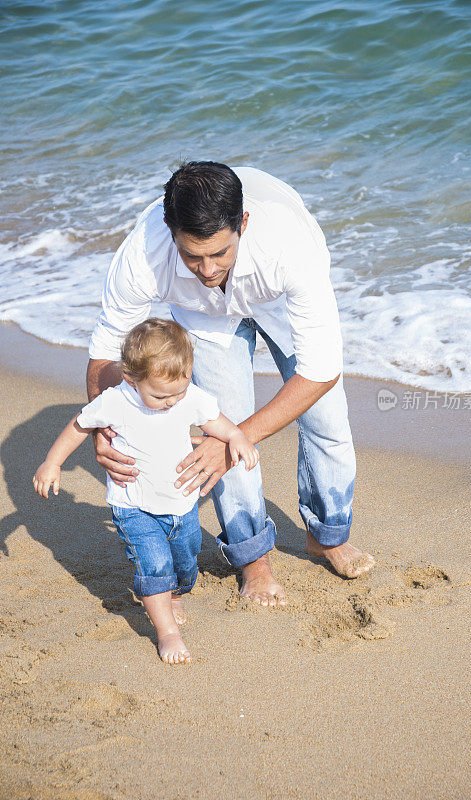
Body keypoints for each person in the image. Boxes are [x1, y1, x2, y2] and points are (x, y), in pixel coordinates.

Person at [87, 162, 375, 609]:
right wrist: (105, 428)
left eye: (220, 253)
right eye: (192, 256)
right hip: (203, 318)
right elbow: (106, 351)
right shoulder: (144, 252)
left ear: (242, 224)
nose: (207, 269)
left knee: (327, 420)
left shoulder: (289, 246)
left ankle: (328, 535)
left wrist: (236, 439)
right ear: (170, 231)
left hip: (277, 297)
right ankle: (252, 559)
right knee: (225, 421)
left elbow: (321, 370)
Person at [33, 318, 259, 664]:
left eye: (179, 392)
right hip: (133, 506)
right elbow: (79, 425)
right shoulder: (115, 401)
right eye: (160, 395)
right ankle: (167, 632)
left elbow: (216, 421)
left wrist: (238, 436)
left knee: (185, 563)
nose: (172, 401)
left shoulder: (188, 397)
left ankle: (176, 593)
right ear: (131, 379)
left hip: (182, 506)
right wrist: (52, 461)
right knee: (153, 565)